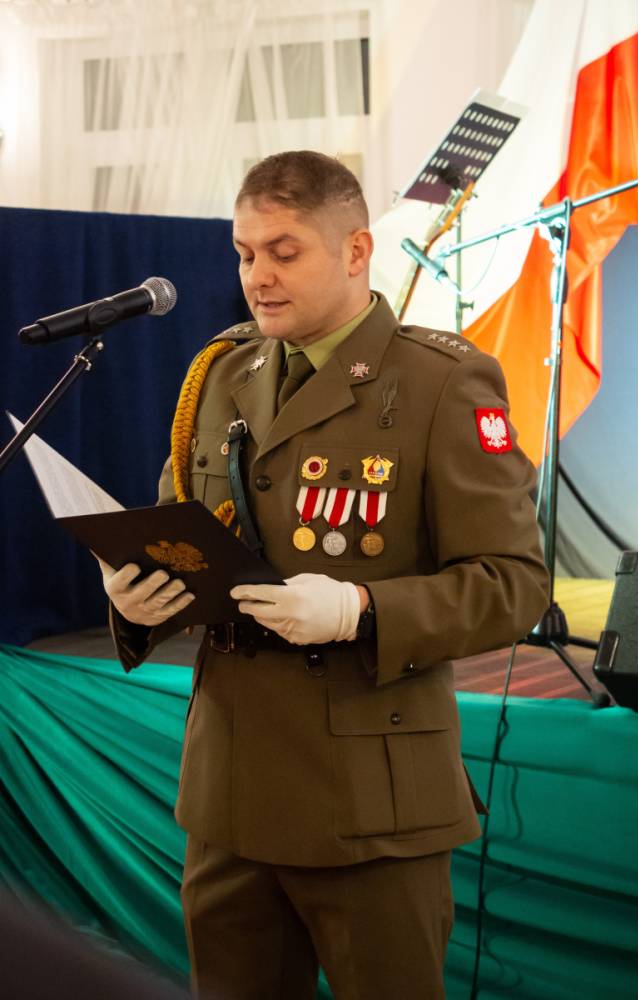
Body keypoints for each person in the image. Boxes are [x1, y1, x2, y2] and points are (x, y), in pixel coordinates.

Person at [99, 151, 549, 1000]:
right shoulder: (222, 373)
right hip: (230, 792)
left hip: (369, 802)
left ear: (354, 251)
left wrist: (360, 609)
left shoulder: (440, 381)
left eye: (283, 251)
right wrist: (136, 598)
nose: (256, 277)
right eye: (244, 254)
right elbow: (179, 535)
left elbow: (513, 584)